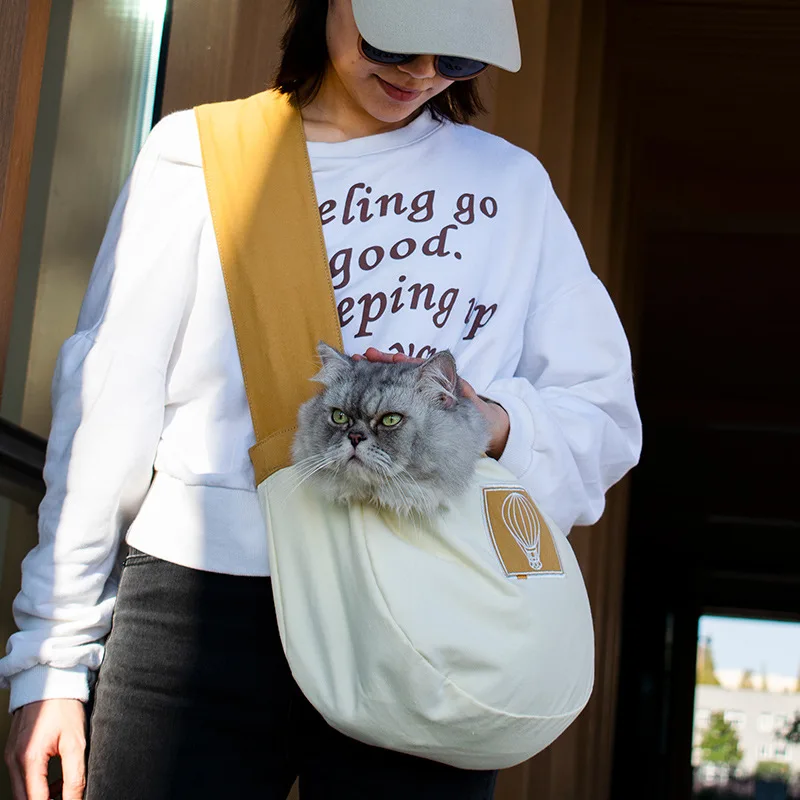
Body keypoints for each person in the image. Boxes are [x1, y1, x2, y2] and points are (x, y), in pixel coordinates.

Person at [1, 0, 642, 797]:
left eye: (457, 60)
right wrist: (52, 658)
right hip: (202, 602)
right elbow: (109, 407)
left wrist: (489, 422)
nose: (422, 76)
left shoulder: (512, 189)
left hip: (428, 610)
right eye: (396, 43)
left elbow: (600, 416)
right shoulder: (200, 157)